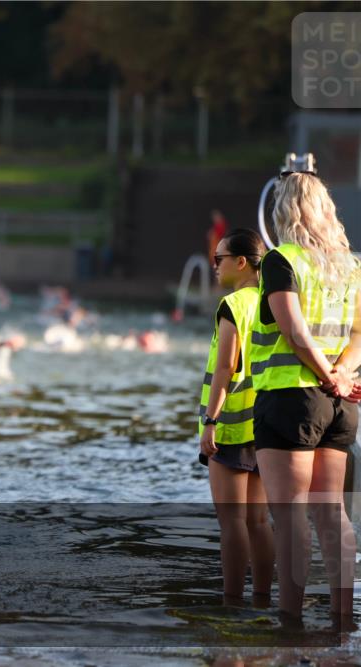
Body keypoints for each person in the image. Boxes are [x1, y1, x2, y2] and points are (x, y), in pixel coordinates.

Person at [249, 170, 361, 626]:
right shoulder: (350, 265)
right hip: (340, 405)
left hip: (290, 399)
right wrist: (341, 375)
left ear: (282, 210)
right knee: (332, 514)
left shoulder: (282, 260)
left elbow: (293, 331)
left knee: (291, 516)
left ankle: (290, 621)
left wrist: (323, 375)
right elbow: (359, 334)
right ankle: (343, 617)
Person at [198, 228, 273, 605]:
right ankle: (262, 599)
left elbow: (225, 367)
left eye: (219, 259)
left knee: (232, 523)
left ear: (241, 262)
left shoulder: (234, 305)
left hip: (231, 425)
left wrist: (211, 420)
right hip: (266, 423)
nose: (214, 266)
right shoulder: (274, 299)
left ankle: (232, 603)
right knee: (259, 522)